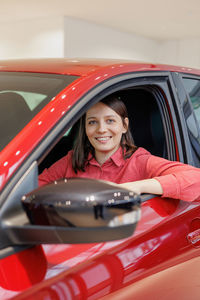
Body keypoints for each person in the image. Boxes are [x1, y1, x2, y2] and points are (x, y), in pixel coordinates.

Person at [39, 95, 200, 202]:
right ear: (85, 128)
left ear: (124, 126)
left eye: (110, 121)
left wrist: (132, 187)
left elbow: (195, 179)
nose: (101, 129)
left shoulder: (139, 161)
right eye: (92, 122)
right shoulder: (72, 159)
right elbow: (35, 188)